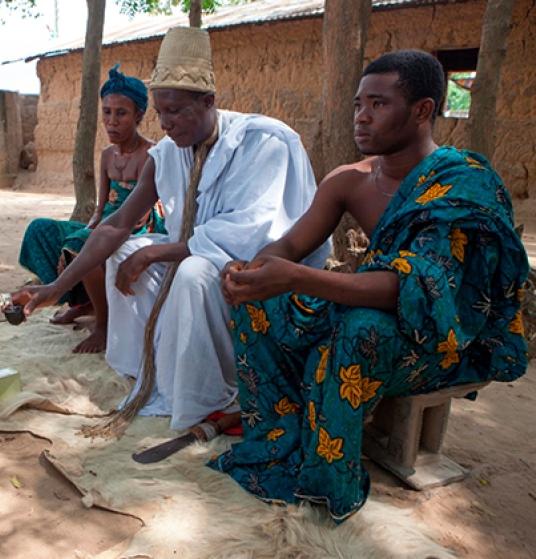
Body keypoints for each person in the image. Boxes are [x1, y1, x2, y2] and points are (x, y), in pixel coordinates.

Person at [210, 50, 529, 522]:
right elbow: (291, 245)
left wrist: (296, 277)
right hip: (372, 315)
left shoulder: (462, 184)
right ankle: (279, 441)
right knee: (260, 304)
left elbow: (417, 290)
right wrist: (251, 271)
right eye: (359, 103)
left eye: (378, 104)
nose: (361, 116)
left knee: (359, 329)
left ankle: (327, 483)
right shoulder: (349, 181)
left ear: (422, 110)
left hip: (439, 337)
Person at [13, 27, 329, 434]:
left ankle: (202, 392)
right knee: (126, 250)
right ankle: (148, 367)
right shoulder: (167, 153)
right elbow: (117, 225)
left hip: (260, 280)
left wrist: (155, 253)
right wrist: (56, 287)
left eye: (176, 111)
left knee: (193, 269)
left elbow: (251, 234)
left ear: (209, 101)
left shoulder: (265, 142)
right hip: (197, 256)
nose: (165, 124)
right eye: (160, 113)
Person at [18, 63, 163, 354]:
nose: (112, 121)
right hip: (107, 223)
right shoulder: (107, 155)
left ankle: (105, 326)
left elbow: (141, 217)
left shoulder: (153, 154)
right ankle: (80, 301)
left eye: (121, 113)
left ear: (139, 115)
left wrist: (84, 240)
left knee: (83, 246)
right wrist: (85, 231)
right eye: (106, 112)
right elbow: (99, 210)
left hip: (139, 226)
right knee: (42, 231)